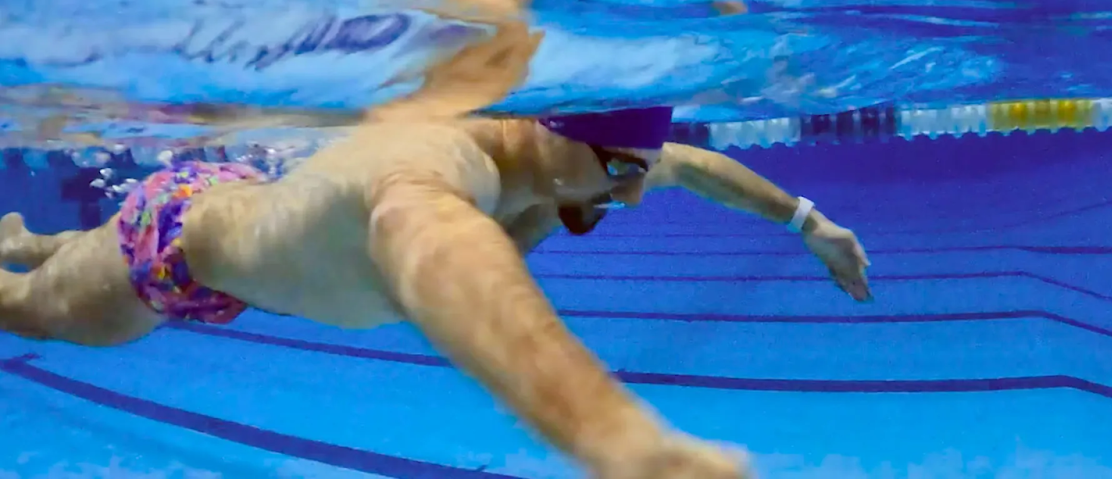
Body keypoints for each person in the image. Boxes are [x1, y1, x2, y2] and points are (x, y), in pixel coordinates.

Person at [0, 107, 872, 479]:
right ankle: (26, 259)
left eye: (636, 171)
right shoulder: (432, 168)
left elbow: (693, 168)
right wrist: (619, 438)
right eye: (618, 173)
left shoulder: (569, 160)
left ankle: (31, 237)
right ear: (545, 125)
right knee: (27, 308)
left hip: (247, 229)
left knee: (61, 261)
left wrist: (808, 220)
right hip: (173, 257)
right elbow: (438, 252)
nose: (633, 194)